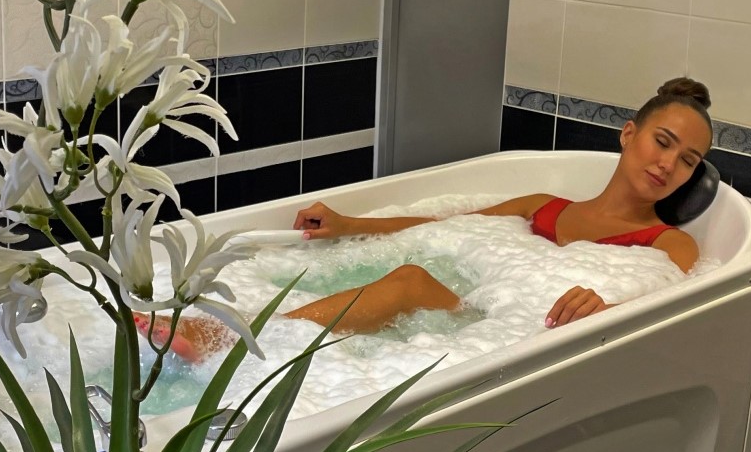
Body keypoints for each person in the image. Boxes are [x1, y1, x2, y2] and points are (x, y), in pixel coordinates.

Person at [139, 78, 714, 360]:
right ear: (629, 134)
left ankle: (230, 340)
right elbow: (443, 225)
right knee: (410, 271)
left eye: (688, 160)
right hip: (488, 311)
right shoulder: (543, 206)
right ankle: (240, 336)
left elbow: (671, 311)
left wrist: (604, 309)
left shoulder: (669, 244)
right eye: (662, 142)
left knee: (411, 280)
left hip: (522, 335)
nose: (668, 164)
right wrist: (348, 224)